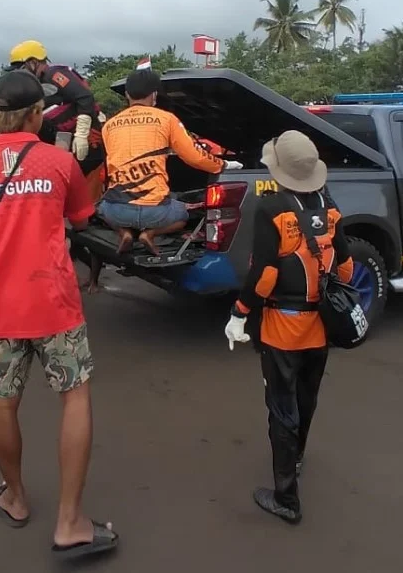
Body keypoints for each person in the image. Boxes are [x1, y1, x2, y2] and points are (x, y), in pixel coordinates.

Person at [0, 70, 117, 559]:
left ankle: (15, 498)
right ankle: (70, 522)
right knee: (74, 399)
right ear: (38, 113)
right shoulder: (60, 163)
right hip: (55, 303)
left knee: (2, 401)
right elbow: (81, 220)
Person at [224, 130, 353, 524]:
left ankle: (286, 498)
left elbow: (263, 274)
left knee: (281, 407)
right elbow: (345, 266)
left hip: (283, 327)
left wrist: (239, 312)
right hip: (322, 324)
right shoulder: (329, 207)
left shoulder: (271, 208)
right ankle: (296, 457)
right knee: (306, 397)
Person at [99, 69, 238, 255]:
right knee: (183, 214)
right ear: (154, 94)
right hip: (156, 214)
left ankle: (125, 232)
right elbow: (194, 157)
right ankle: (150, 234)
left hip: (117, 212)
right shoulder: (166, 119)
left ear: (126, 94)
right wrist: (223, 165)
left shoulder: (109, 125)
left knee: (101, 208)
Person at [7, 40, 106, 201]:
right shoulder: (34, 84)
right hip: (61, 137)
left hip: (85, 135)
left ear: (33, 62)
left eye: (22, 67)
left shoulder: (54, 74)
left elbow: (84, 96)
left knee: (85, 178)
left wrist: (81, 133)